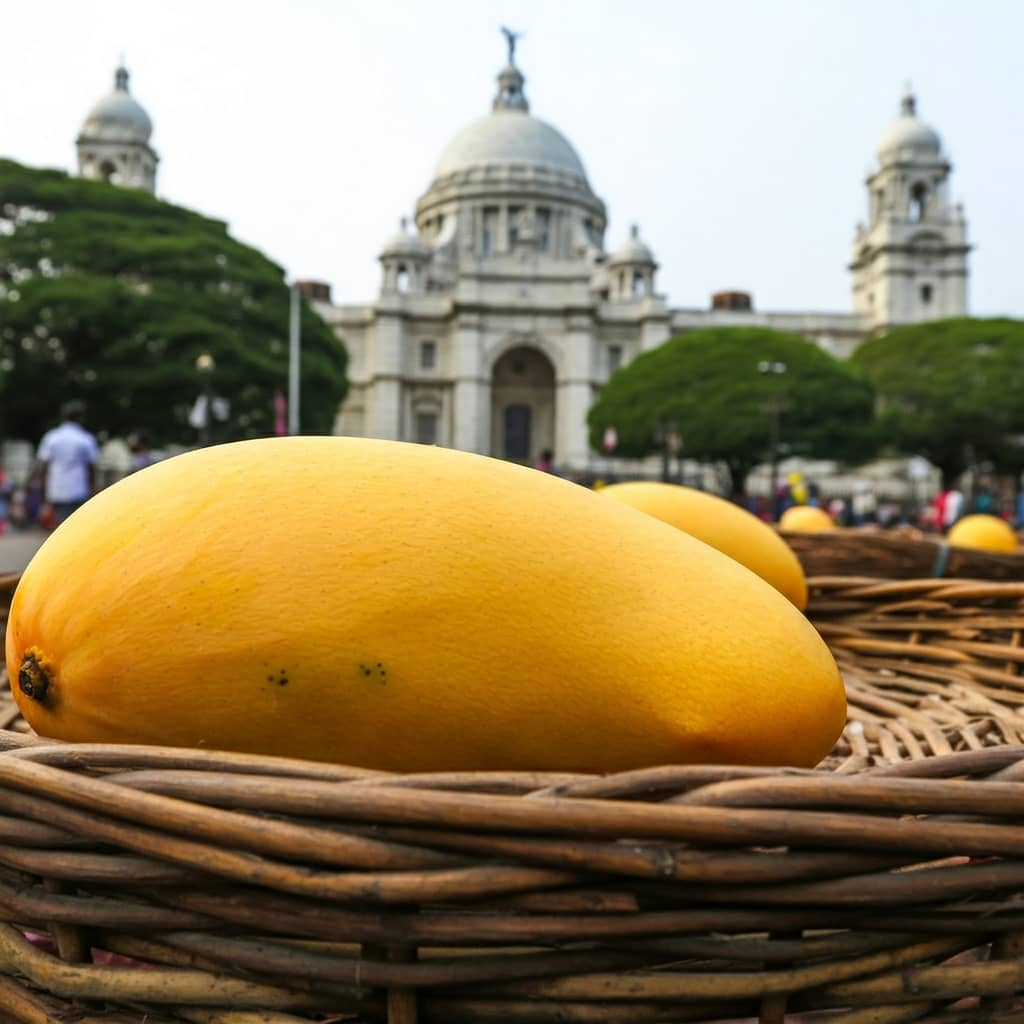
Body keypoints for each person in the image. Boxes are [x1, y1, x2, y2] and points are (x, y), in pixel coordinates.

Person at [36, 400, 100, 526]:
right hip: (78, 490)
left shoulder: (51, 437)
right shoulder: (85, 439)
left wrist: (42, 493)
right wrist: (94, 490)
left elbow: (43, 467)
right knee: (74, 525)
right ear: (81, 418)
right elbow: (92, 468)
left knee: (59, 525)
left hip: (55, 490)